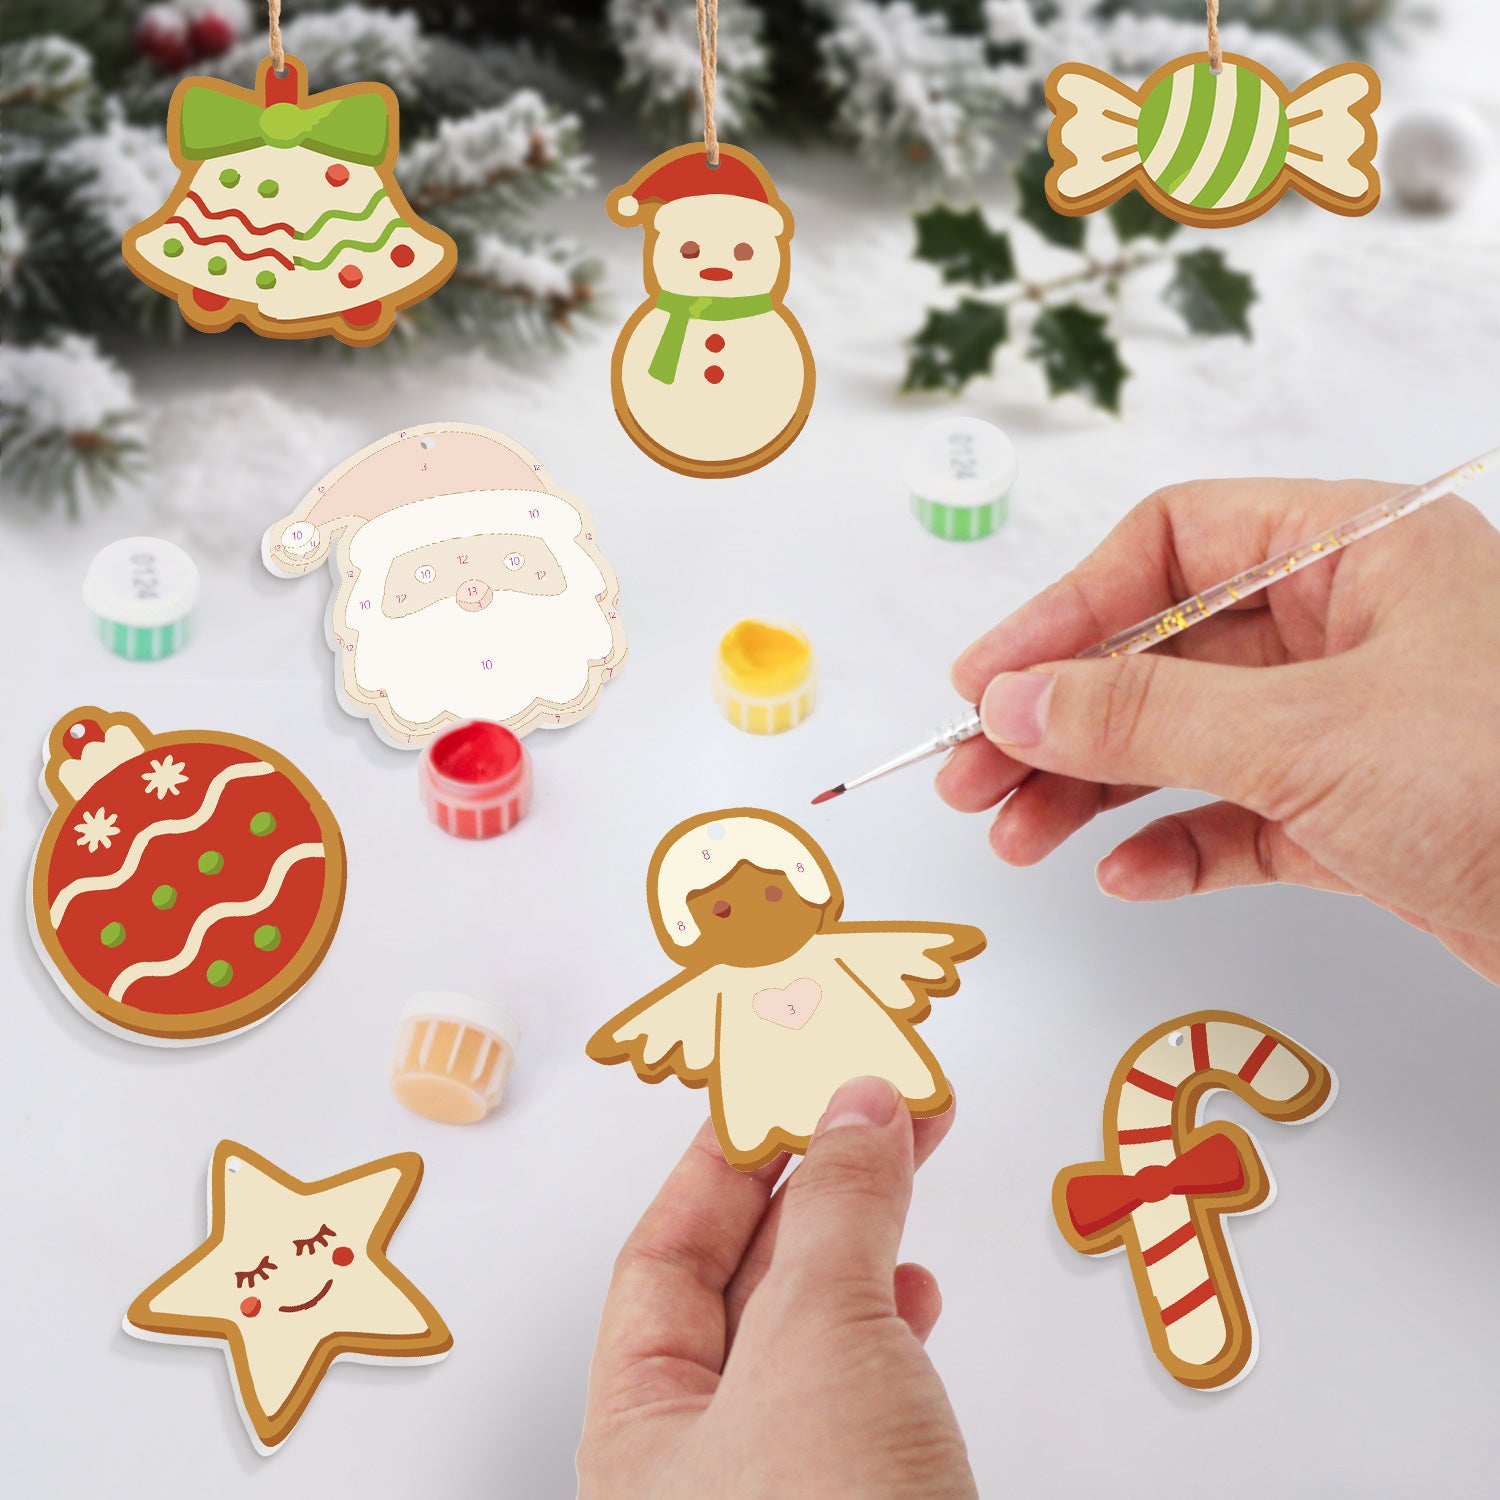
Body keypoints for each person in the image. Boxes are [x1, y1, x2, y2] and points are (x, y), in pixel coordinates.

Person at [578, 480, 1500, 1496]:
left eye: (763, 890)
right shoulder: (729, 994)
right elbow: (678, 1018)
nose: (749, 915)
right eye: (720, 911)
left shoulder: (844, 958)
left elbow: (898, 953)